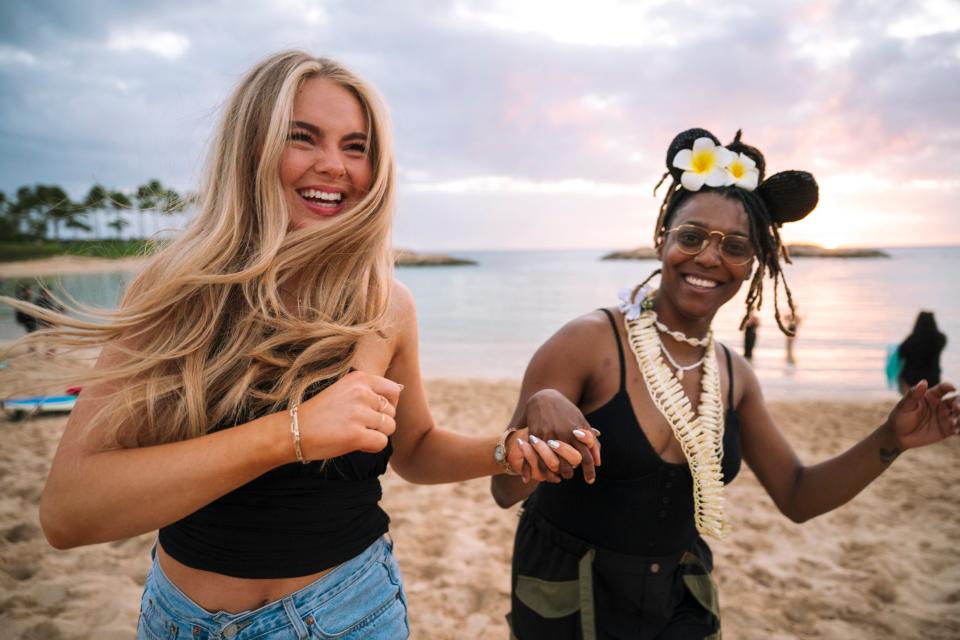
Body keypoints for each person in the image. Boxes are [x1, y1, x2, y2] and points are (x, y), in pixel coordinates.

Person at [2, 51, 597, 640]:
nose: (334, 166)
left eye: (356, 146)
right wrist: (292, 433)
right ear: (252, 148)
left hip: (347, 614)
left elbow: (414, 448)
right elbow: (68, 513)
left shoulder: (384, 304)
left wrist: (503, 450)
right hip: (179, 620)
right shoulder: (175, 292)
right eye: (303, 138)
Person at [491, 128, 960, 639]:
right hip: (569, 600)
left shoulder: (735, 376)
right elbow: (505, 489)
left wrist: (890, 439)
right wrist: (542, 408)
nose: (710, 259)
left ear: (753, 263)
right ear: (662, 241)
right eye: (691, 237)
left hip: (680, 601)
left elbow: (798, 496)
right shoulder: (588, 342)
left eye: (735, 247)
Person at [898, 311, 948, 393]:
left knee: (912, 398)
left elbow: (901, 354)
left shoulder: (911, 339)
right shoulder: (940, 338)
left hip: (911, 378)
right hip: (932, 378)